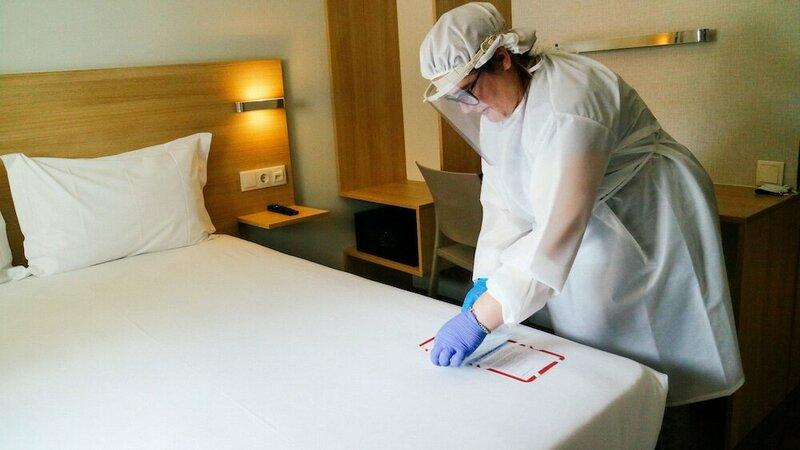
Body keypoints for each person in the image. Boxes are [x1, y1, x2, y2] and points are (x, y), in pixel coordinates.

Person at [420, 2, 743, 412]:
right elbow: (502, 203)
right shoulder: (496, 110)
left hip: (646, 212)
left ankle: (676, 420)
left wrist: (480, 319)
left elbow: (554, 232)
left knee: (664, 343)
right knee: (598, 345)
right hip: (586, 219)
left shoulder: (569, 106)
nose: (467, 106)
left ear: (502, 58)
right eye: (455, 98)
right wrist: (487, 277)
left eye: (468, 90)